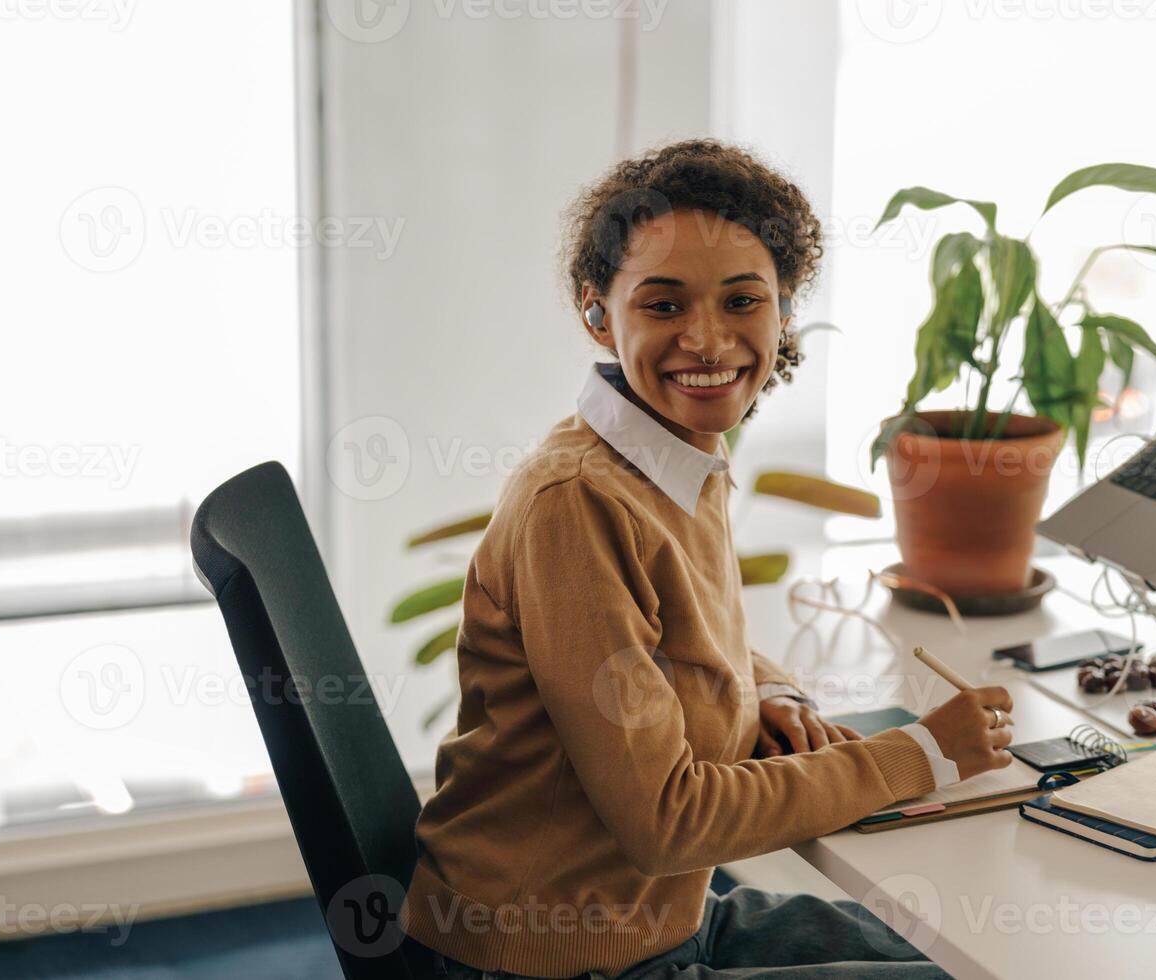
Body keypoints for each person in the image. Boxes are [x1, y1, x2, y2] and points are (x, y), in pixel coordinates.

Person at [398, 139, 1015, 979]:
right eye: (663, 305)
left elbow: (673, 635)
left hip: (651, 922)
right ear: (597, 312)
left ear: (783, 311)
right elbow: (667, 821)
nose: (707, 339)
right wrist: (922, 755)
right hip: (557, 959)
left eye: (741, 301)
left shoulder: (671, 453)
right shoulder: (577, 501)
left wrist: (769, 688)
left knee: (975, 954)